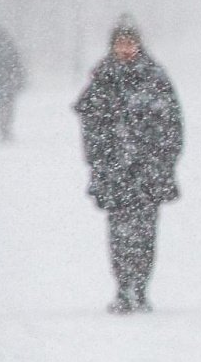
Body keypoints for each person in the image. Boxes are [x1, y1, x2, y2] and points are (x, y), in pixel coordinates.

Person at [74, 16, 183, 314]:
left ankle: (141, 286)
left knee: (146, 233)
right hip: (115, 171)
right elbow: (90, 124)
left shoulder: (155, 77)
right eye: (120, 43)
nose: (125, 48)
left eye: (129, 42)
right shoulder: (102, 78)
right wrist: (98, 159)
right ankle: (123, 287)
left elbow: (172, 125)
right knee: (119, 232)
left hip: (148, 171)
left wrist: (163, 159)